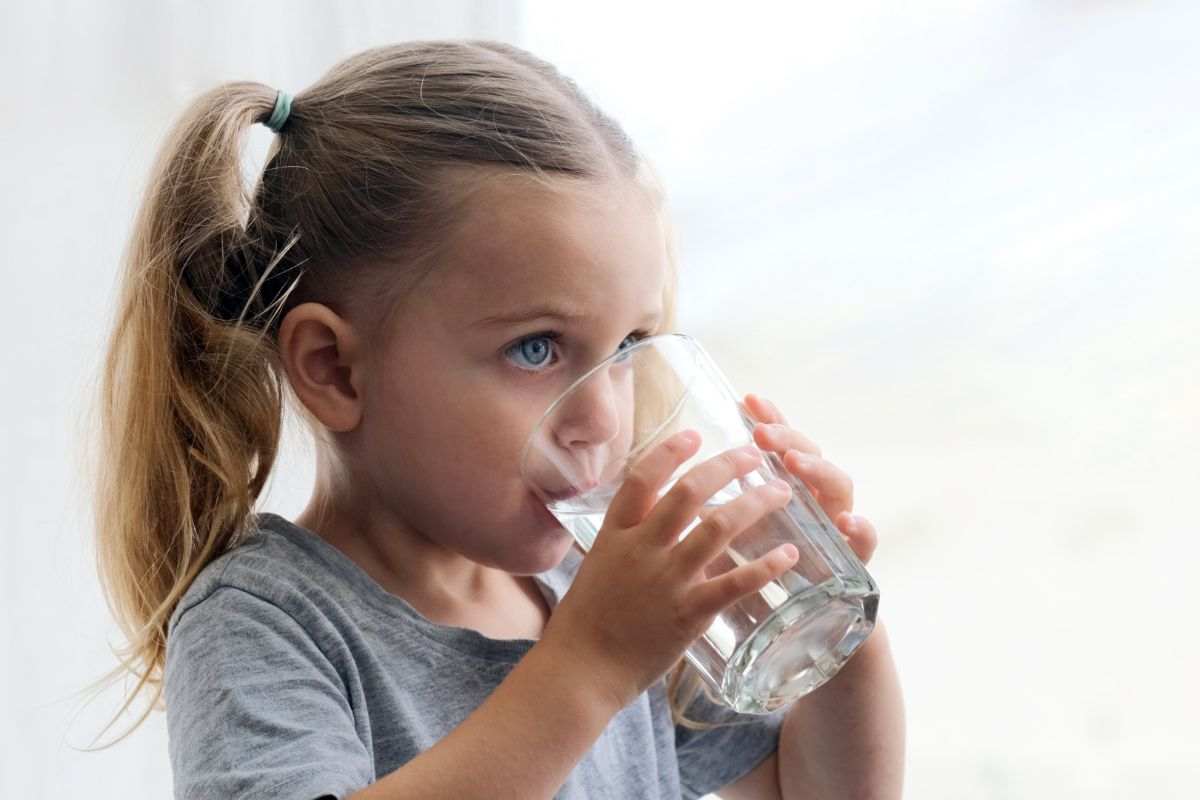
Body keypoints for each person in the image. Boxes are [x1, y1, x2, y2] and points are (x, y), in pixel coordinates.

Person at [90, 40, 904, 799]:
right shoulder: (264, 621)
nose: (602, 418)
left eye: (628, 345)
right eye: (537, 349)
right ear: (334, 369)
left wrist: (838, 632)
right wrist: (588, 668)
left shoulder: (597, 586)